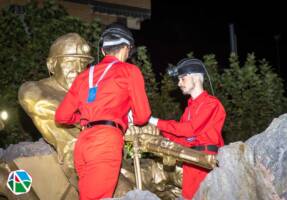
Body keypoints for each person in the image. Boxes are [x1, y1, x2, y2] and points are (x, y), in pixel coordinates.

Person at [55, 23, 151, 199]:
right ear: (126, 48)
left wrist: (84, 117)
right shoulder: (129, 71)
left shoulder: (84, 76)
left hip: (82, 144)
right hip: (106, 142)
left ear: (103, 49)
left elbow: (61, 116)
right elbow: (143, 116)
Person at [149, 58, 226, 200]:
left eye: (182, 79)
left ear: (196, 78)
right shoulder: (188, 109)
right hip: (190, 162)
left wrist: (155, 121)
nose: (179, 83)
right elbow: (180, 137)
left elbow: (190, 129)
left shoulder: (212, 104)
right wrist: (153, 128)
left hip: (206, 163)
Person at [18, 33, 94, 167]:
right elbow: (40, 104)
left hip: (103, 154)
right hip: (74, 161)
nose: (78, 69)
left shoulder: (91, 93)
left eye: (83, 63)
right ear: (51, 65)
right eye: (70, 62)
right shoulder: (35, 89)